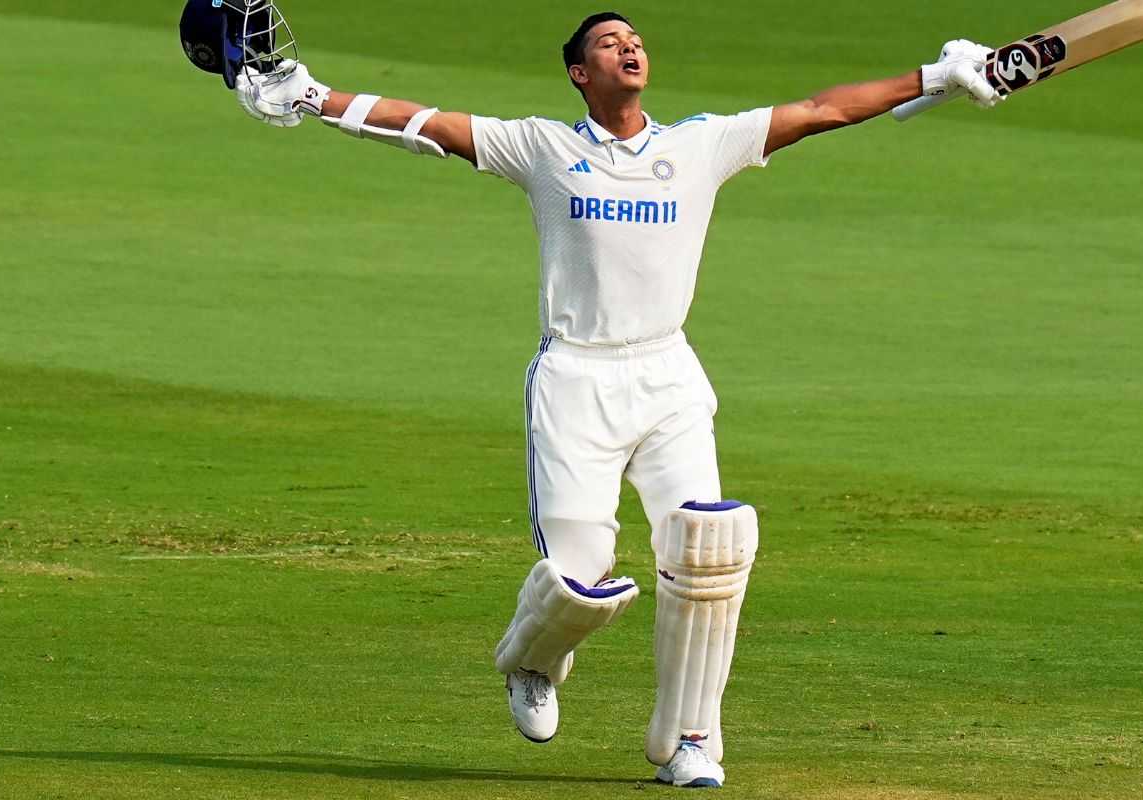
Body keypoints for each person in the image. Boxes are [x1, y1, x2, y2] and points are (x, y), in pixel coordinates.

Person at [210, 6, 999, 788]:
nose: (630, 47)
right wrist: (313, 97)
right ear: (579, 74)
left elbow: (822, 110)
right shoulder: (544, 149)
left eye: (635, 40)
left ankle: (692, 741)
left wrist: (938, 76)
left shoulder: (699, 145)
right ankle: (531, 661)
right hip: (576, 376)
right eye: (608, 43)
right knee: (580, 578)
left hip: (667, 374)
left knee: (708, 547)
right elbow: (427, 123)